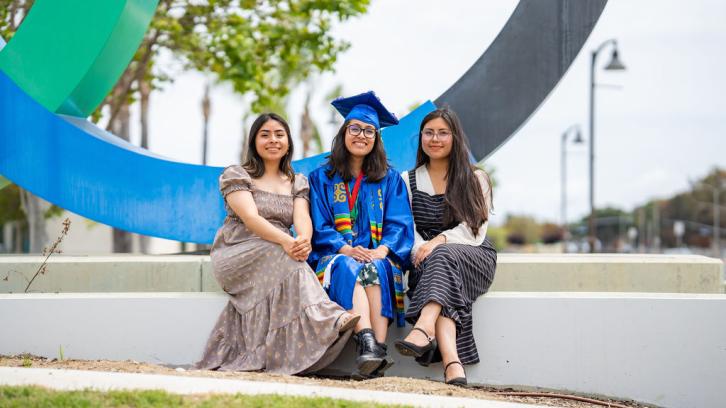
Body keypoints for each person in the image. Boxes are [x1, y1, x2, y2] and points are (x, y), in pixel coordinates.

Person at [197, 113, 359, 375]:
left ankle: (307, 336)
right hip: (238, 249)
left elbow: (302, 218)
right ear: (254, 142)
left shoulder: (297, 181)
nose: (273, 140)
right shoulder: (237, 175)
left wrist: (303, 240)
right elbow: (250, 218)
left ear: (288, 141)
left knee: (289, 254)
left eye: (279, 134)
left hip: (280, 250)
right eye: (265, 135)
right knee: (283, 253)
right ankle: (327, 316)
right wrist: (287, 241)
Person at [308, 91, 414, 379]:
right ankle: (370, 342)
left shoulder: (389, 179)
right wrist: (344, 249)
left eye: (369, 131)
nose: (362, 135)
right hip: (337, 256)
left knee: (377, 266)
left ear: (376, 139)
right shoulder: (322, 178)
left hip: (376, 253)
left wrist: (382, 250)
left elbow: (399, 223)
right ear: (344, 133)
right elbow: (318, 225)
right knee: (350, 266)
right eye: (355, 129)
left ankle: (374, 351)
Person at [394, 108, 497, 386]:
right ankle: (453, 364)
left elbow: (475, 230)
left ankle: (424, 327)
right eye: (429, 133)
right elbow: (407, 229)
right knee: (441, 272)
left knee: (443, 256)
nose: (435, 139)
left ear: (455, 138)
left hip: (473, 257)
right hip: (424, 260)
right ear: (421, 139)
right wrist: (421, 249)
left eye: (442, 133)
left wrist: (439, 241)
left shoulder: (476, 179)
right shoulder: (407, 180)